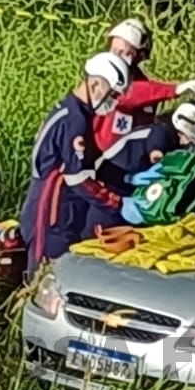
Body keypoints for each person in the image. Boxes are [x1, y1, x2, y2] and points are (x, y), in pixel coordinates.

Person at [18, 52, 131, 269]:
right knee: (47, 276)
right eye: (113, 94)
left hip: (59, 205)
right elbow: (77, 178)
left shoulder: (72, 111)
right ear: (96, 84)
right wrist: (115, 204)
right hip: (50, 210)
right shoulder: (75, 120)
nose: (114, 102)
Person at [75, 98, 195, 239]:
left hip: (129, 187)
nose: (187, 144)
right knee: (97, 243)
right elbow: (156, 157)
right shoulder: (161, 134)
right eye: (190, 139)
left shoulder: (168, 132)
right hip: (111, 186)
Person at [93, 18, 195, 150]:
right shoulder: (102, 75)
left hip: (131, 154)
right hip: (100, 156)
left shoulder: (142, 81)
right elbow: (129, 94)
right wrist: (176, 89)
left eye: (125, 53)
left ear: (140, 55)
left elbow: (143, 97)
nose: (117, 57)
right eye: (115, 51)